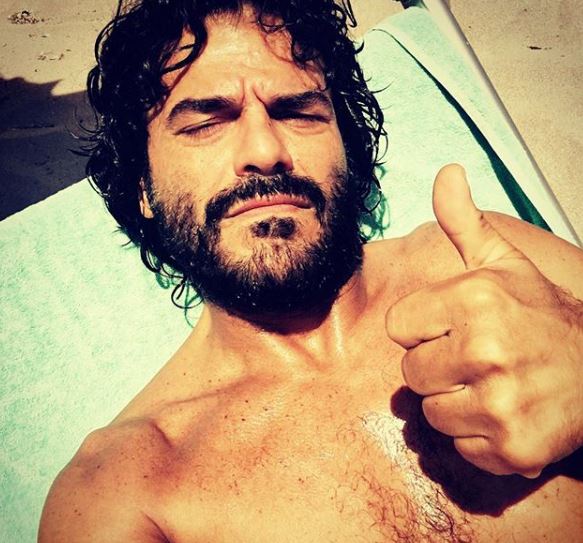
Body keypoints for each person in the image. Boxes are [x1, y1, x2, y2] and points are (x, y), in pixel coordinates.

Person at [39, 0, 583, 541]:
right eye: (206, 122)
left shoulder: (490, 269)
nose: (264, 149)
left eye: (298, 112)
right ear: (143, 188)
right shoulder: (123, 490)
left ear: (345, 147)